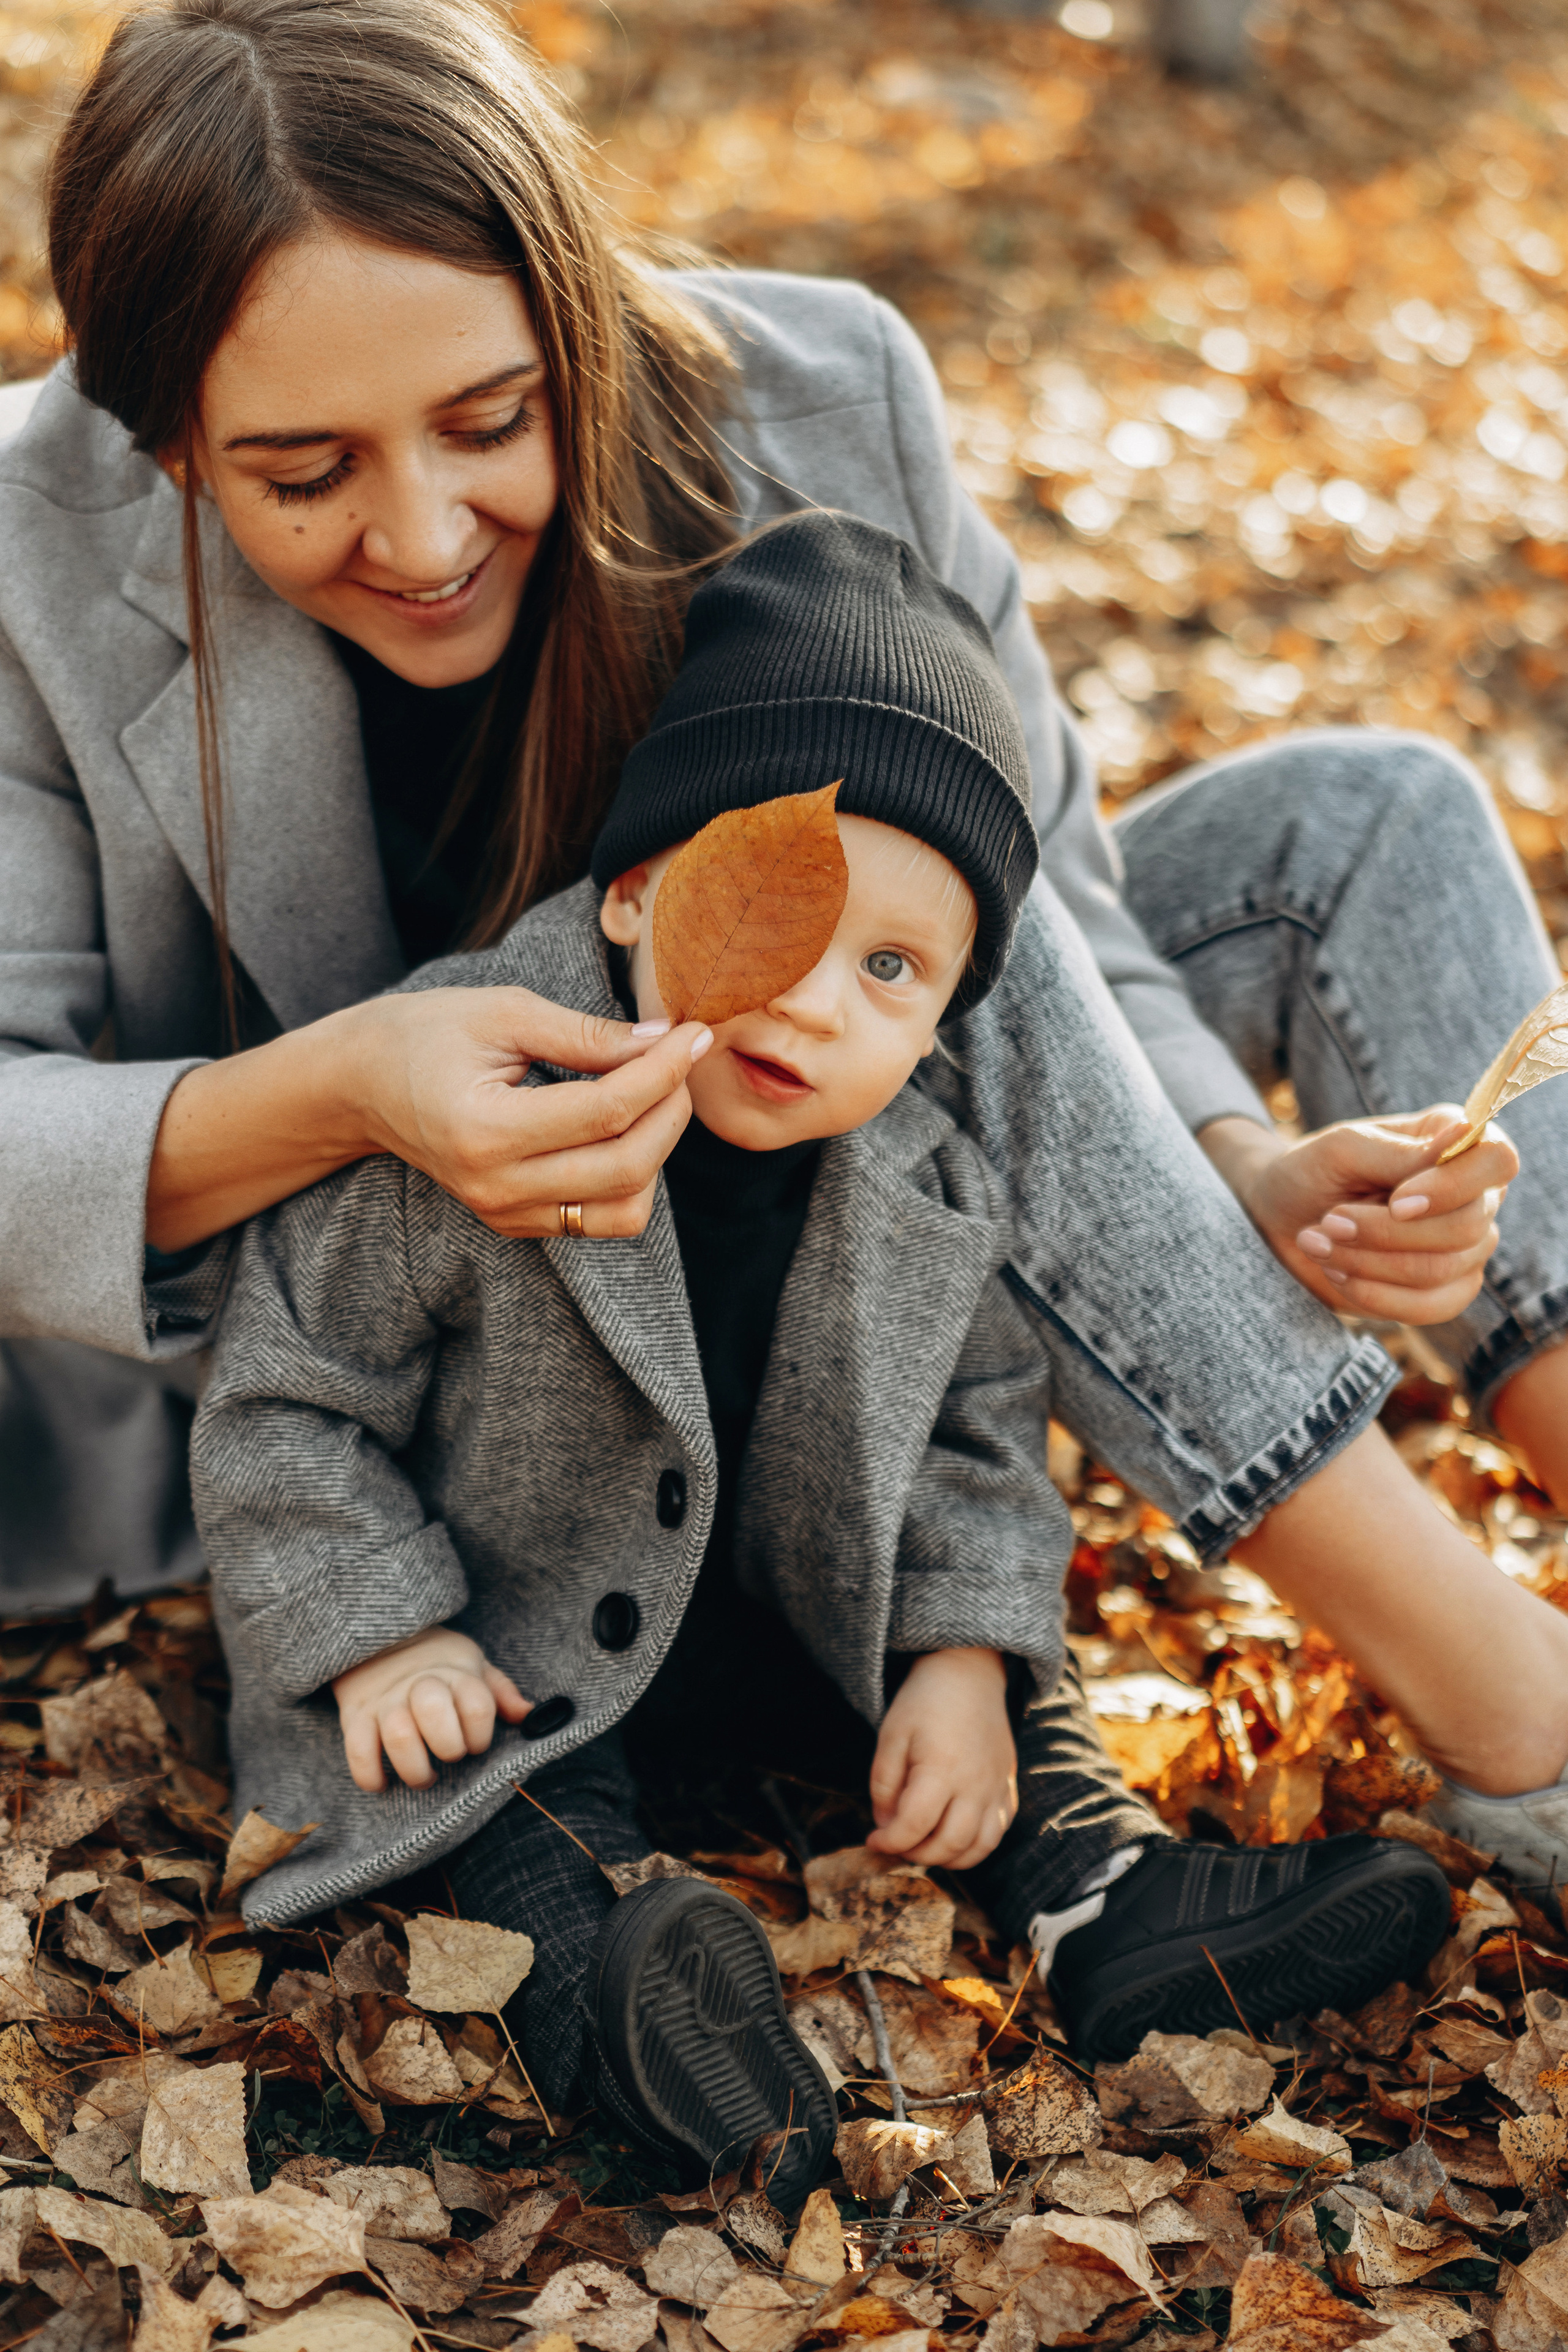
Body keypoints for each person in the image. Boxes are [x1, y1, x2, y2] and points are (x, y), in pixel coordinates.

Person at [0, 0, 1565, 1915]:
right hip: (380, 1353)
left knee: (1338, 827)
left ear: (575, 317)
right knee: (908, 939)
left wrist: (1244, 1168)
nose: (422, 532)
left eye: (493, 422)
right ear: (162, 442)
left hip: (816, 1172)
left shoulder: (824, 390)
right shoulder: (28, 549)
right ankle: (1508, 1705)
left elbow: (1047, 892)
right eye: (301, 473)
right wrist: (341, 1092)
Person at [190, 515, 1450, 2195]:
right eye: (775, 915)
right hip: (507, 1648)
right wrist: (380, 1635)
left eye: (893, 968)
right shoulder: (471, 1109)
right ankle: (633, 2011)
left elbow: (983, 1427)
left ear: (948, 1016)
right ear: (635, 891)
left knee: (1010, 1726)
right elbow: (287, 1400)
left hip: (802, 1632)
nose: (819, 1003)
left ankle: (1107, 1904)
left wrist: (961, 1656)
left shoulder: (927, 1163)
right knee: (504, 1827)